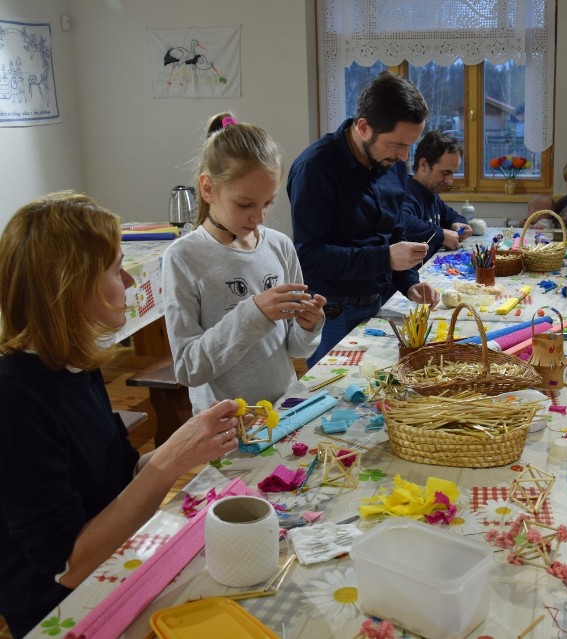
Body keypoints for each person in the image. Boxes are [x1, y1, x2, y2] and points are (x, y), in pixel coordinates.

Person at [0, 192, 243, 637]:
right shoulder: (14, 399)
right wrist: (170, 461)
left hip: (115, 564)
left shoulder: (75, 363)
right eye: (115, 270)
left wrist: (187, 446)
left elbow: (117, 475)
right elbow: (69, 567)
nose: (130, 284)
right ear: (71, 287)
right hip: (62, 608)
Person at [163, 113, 325, 414]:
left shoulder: (279, 246)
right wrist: (253, 313)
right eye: (245, 204)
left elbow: (296, 348)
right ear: (208, 188)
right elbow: (188, 369)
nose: (259, 218)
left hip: (284, 408)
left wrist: (309, 326)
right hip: (227, 423)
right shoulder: (184, 257)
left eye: (268, 203)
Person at [287, 72, 439, 367]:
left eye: (410, 145)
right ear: (364, 127)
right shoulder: (315, 168)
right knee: (332, 397)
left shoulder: (391, 164)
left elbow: (394, 234)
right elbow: (311, 257)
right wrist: (385, 258)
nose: (403, 156)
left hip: (379, 302)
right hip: (332, 311)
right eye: (397, 144)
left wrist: (409, 282)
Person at [400, 130, 472, 260]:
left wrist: (459, 225)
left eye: (452, 174)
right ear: (423, 165)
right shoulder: (405, 193)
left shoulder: (431, 193)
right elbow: (403, 222)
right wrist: (442, 235)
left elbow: (453, 217)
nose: (449, 181)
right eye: (445, 173)